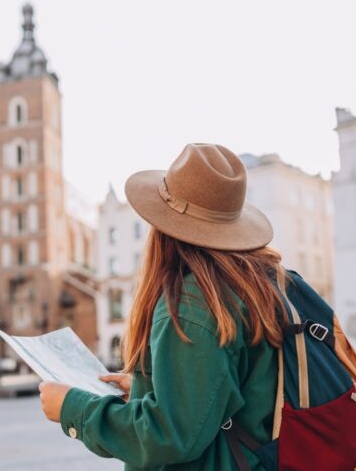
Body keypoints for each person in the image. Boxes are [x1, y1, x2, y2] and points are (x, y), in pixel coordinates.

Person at [39, 143, 290, 470]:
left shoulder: (192, 303)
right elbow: (222, 392)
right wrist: (151, 387)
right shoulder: (251, 285)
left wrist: (71, 407)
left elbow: (167, 437)